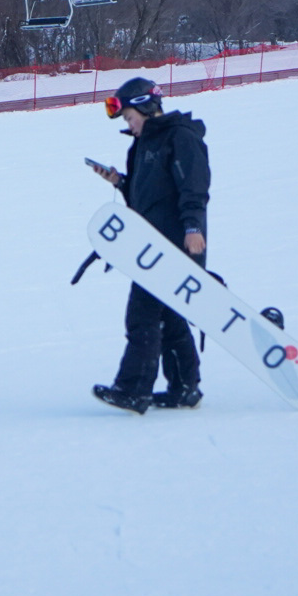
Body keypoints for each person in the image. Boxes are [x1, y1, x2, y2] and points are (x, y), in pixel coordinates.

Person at [88, 77, 210, 414]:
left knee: (142, 316)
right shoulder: (142, 145)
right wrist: (119, 182)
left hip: (177, 243)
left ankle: (132, 390)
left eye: (130, 118)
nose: (129, 125)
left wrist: (193, 226)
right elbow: (146, 200)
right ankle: (185, 388)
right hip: (152, 245)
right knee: (169, 318)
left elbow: (194, 187)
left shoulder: (180, 138)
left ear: (146, 107)